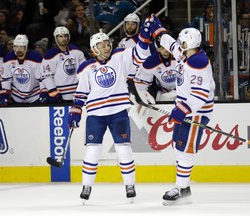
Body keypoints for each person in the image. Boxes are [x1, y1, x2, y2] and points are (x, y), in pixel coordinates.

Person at [67, 15, 157, 202]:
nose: (107, 46)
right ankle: (86, 187)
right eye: (103, 45)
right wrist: (75, 112)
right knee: (93, 150)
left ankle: (130, 185)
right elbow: (81, 93)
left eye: (108, 43)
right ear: (94, 49)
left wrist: (145, 36)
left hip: (118, 112)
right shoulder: (86, 68)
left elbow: (140, 54)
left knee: (124, 149)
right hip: (96, 115)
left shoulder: (120, 56)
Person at [151, 16, 215, 205]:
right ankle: (184, 186)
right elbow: (171, 46)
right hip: (185, 110)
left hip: (196, 112)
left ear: (189, 43)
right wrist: (159, 31)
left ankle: (181, 188)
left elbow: (201, 94)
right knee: (179, 145)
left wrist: (183, 110)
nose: (179, 44)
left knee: (185, 149)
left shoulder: (198, 62)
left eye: (183, 41)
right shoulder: (187, 53)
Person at [40, 26, 86, 104]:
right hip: (60, 95)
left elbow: (84, 71)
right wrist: (53, 91)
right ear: (56, 38)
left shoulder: (76, 51)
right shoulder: (50, 55)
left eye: (65, 36)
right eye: (60, 36)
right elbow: (46, 76)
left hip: (77, 93)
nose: (63, 39)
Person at [0, 34, 42, 105]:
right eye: (16, 46)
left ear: (26, 47)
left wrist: (44, 92)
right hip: (16, 97)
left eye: (22, 47)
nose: (19, 49)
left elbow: (41, 79)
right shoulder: (8, 58)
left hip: (35, 97)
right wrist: (4, 93)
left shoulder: (36, 58)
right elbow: (6, 79)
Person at [134, 38, 177, 103]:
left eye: (167, 47)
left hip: (183, 91)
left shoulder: (180, 55)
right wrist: (143, 94)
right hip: (164, 95)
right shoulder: (151, 62)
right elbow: (140, 83)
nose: (166, 51)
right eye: (162, 48)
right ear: (157, 49)